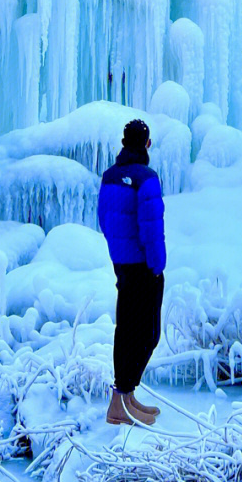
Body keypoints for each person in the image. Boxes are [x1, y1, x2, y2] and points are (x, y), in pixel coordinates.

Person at [97, 118, 165, 426]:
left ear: (125, 143)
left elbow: (103, 218)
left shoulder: (110, 177)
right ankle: (120, 399)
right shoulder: (147, 179)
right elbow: (151, 229)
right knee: (148, 334)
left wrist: (117, 252)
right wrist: (157, 266)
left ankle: (125, 398)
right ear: (147, 144)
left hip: (121, 264)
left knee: (126, 330)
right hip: (144, 266)